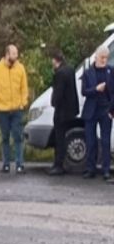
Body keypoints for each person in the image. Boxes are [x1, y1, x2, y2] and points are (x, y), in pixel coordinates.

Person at [0, 43, 29, 174]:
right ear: (7, 54)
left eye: (16, 54)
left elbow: (24, 88)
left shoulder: (20, 68)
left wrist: (23, 103)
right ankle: (6, 164)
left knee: (18, 137)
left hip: (16, 109)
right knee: (5, 137)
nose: (16, 56)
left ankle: (19, 164)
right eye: (13, 54)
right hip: (2, 110)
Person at [79, 46, 113, 181]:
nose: (104, 60)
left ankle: (106, 170)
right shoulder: (88, 73)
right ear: (96, 57)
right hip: (91, 110)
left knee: (105, 142)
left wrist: (112, 111)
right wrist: (96, 89)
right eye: (102, 57)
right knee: (91, 141)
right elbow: (84, 92)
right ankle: (90, 168)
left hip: (106, 110)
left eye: (106, 57)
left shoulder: (111, 71)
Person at [48, 49, 79, 176]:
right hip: (71, 110)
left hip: (61, 111)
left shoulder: (59, 73)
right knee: (64, 137)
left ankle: (58, 164)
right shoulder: (70, 70)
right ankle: (61, 163)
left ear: (56, 60)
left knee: (59, 138)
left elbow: (58, 93)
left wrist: (53, 102)